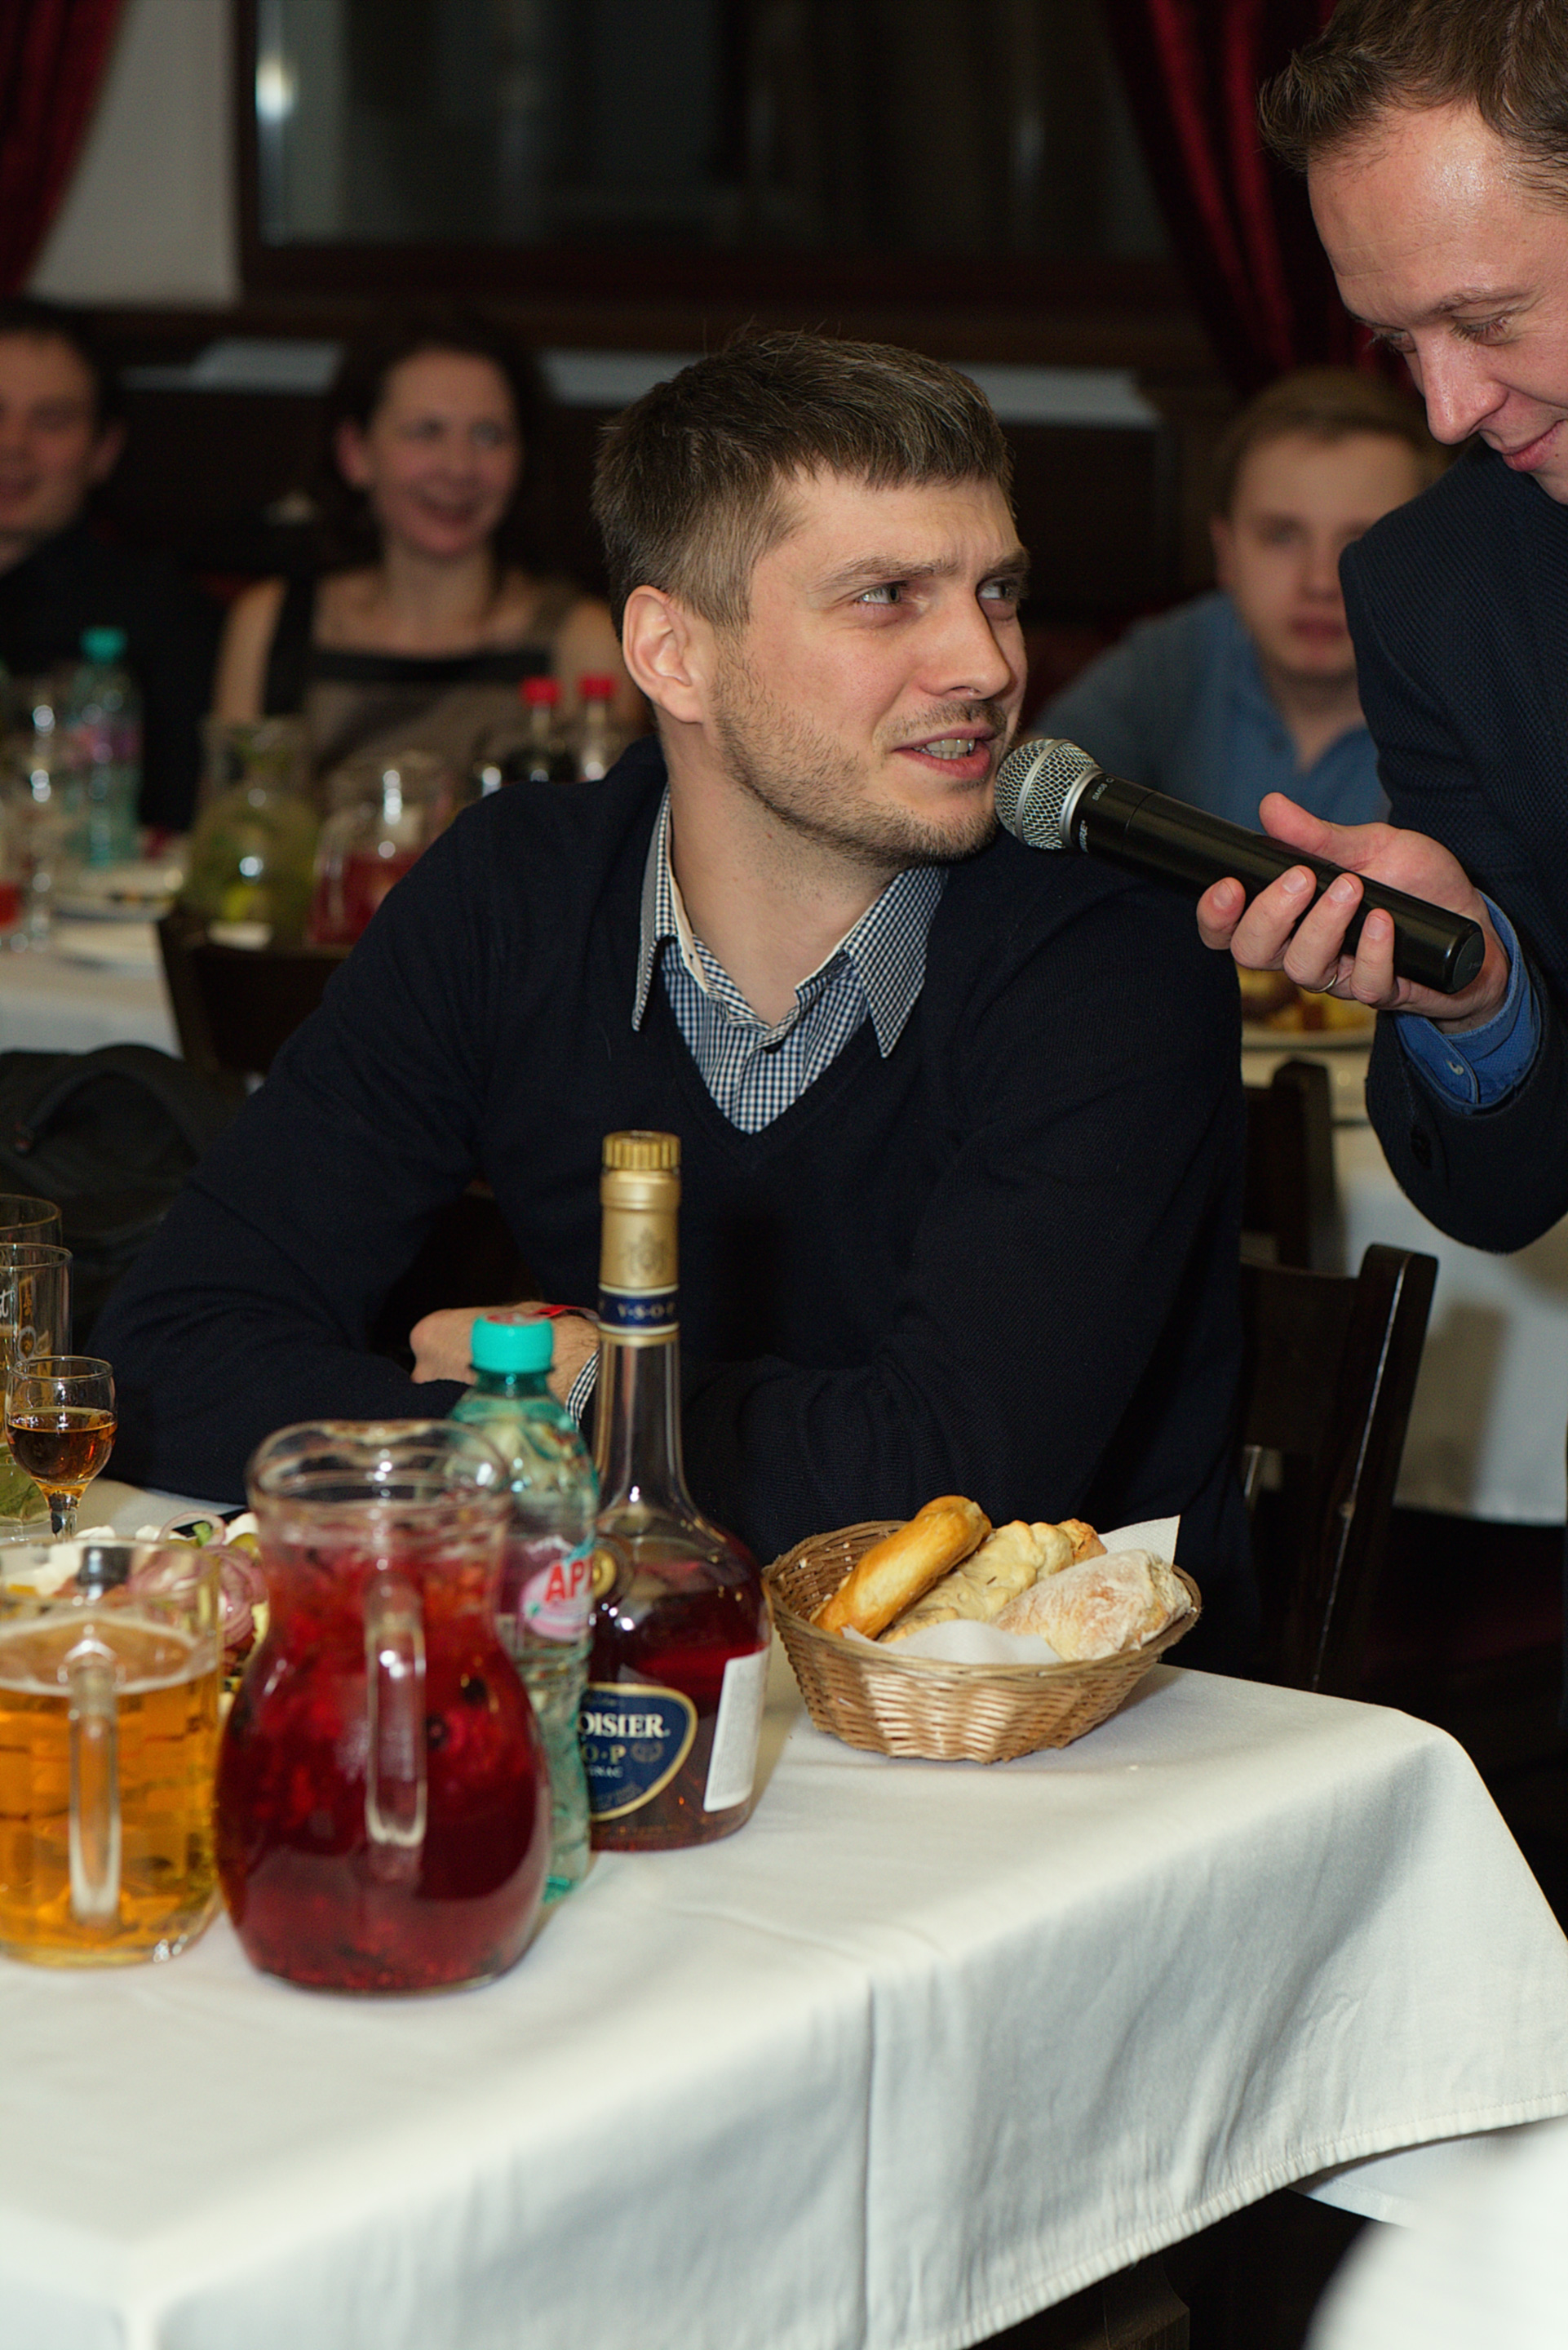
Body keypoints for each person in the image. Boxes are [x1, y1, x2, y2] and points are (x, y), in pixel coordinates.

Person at [99, 331, 1253, 1666]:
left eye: (994, 590)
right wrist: (513, 1442)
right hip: (633, 1681)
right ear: (671, 651)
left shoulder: (1115, 952)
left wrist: (573, 1384)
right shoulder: (513, 894)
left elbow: (939, 1484)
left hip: (1053, 1746)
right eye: (886, 596)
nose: (986, 665)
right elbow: (173, 1351)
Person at [1195, 0, 1568, 1257]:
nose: (1446, 411)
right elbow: (1502, 1192)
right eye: (1399, 342)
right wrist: (1478, 992)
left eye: (1487, 319)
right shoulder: (1430, 591)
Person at [212, 308, 639, 787]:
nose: (459, 468)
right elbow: (229, 820)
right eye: (426, 432)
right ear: (355, 453)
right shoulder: (270, 624)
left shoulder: (585, 641)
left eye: (488, 435)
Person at [1042, 368, 1438, 831]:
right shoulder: (1175, 656)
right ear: (1226, 552)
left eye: (1363, 544)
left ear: (1427, 562)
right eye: (1282, 536)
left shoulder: (1476, 697)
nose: (1320, 583)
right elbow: (1033, 792)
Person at [0, 295, 219, 833]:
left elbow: (176, 826)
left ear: (103, 450)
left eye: (51, 421)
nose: (13, 445)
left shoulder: (167, 616)